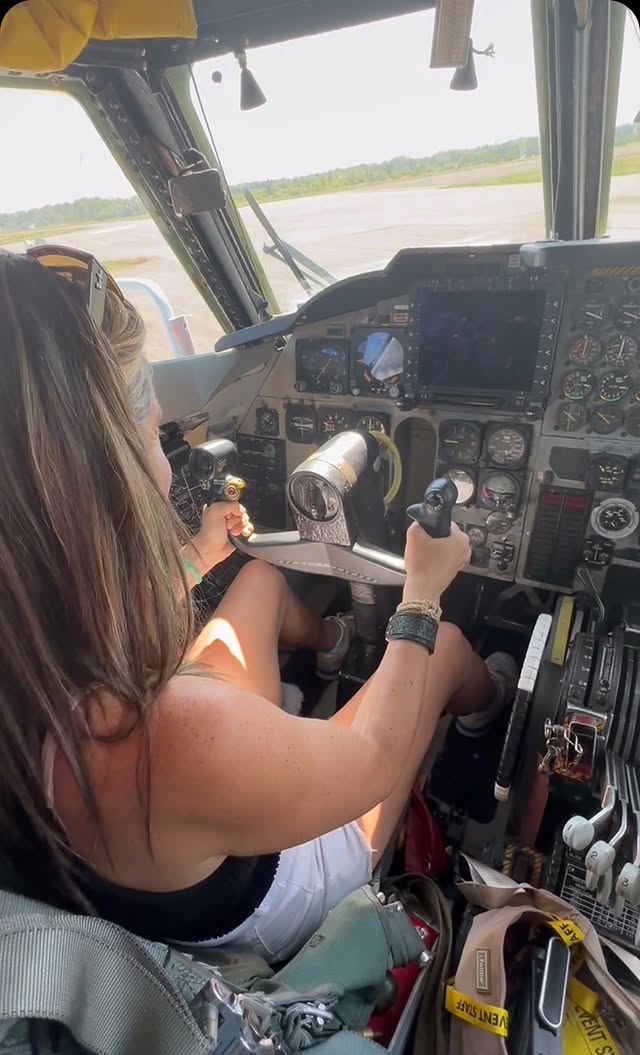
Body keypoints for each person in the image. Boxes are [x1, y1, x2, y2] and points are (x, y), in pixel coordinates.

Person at [0, 250, 517, 962]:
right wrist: (423, 592)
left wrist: (197, 560)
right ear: (95, 479)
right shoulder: (163, 739)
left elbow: (83, 634)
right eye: (152, 434)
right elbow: (372, 760)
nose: (160, 458)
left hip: (165, 830)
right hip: (283, 890)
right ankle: (489, 714)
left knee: (262, 579)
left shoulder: (25, 651)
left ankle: (333, 647)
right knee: (449, 647)